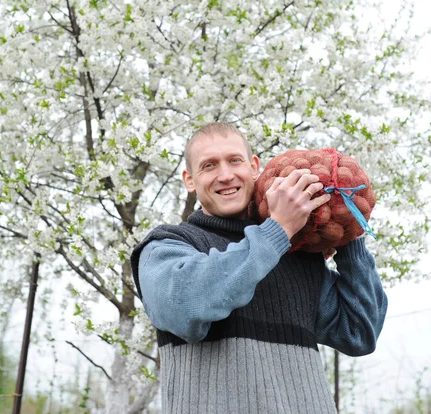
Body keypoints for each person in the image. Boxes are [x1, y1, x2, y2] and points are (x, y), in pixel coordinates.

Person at [130, 122, 388, 414]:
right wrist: (278, 230)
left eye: (234, 160)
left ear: (254, 167)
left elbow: (358, 333)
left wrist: (347, 231)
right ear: (190, 180)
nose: (225, 175)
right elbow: (186, 306)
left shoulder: (294, 254)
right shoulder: (165, 247)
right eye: (209, 166)